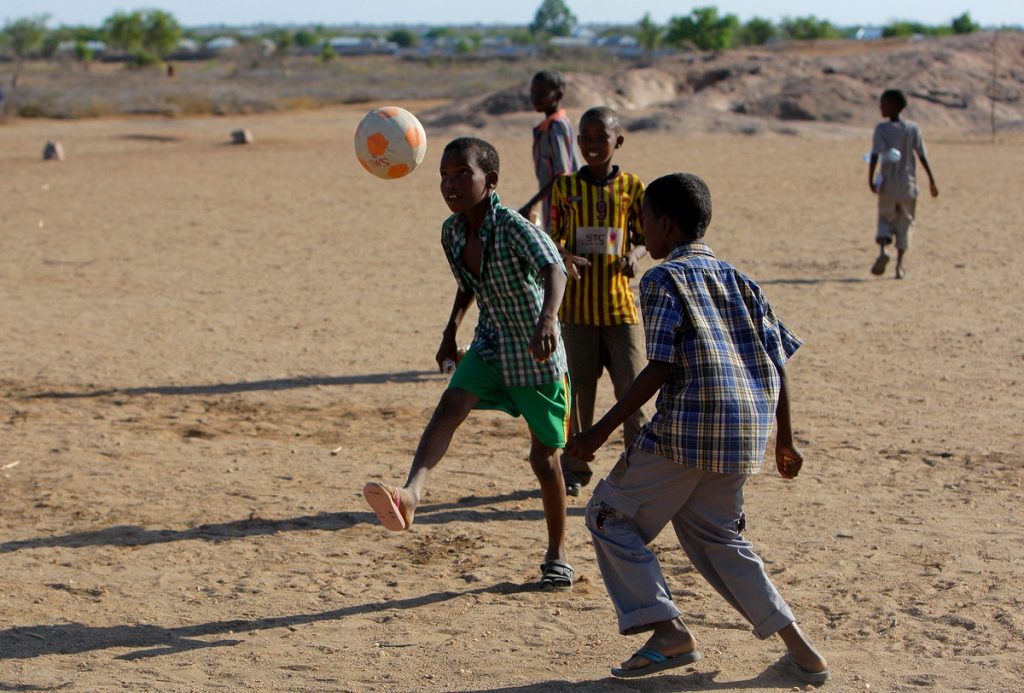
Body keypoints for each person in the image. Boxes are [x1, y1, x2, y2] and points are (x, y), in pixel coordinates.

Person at [566, 173, 831, 683]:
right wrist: (784, 438)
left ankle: (668, 630)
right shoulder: (740, 279)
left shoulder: (661, 280)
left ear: (666, 224)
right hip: (745, 433)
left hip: (689, 427)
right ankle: (802, 652)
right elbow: (778, 361)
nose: (641, 231)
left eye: (643, 220)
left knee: (606, 516)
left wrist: (599, 430)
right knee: (720, 541)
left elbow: (659, 365)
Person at [363, 137, 576, 591]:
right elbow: (469, 285)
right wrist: (449, 333)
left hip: (536, 349)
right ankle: (411, 494)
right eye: (444, 174)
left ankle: (557, 553)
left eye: (463, 174)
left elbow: (554, 267)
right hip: (492, 339)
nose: (450, 183)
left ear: (490, 181)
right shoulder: (453, 231)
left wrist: (548, 320)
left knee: (545, 458)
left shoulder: (515, 227)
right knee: (450, 405)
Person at [547, 106, 647, 497]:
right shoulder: (565, 186)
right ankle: (575, 469)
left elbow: (642, 236)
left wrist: (633, 258)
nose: (591, 145)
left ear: (617, 141)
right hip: (578, 311)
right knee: (577, 397)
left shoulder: (633, 187)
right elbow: (552, 236)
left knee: (633, 394)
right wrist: (565, 256)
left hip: (620, 308)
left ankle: (637, 471)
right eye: (585, 138)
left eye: (599, 138)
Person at [868, 88, 939, 279]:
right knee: (905, 223)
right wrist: (931, 180)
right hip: (908, 184)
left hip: (888, 184)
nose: (880, 107)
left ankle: (883, 249)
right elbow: (922, 155)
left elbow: (875, 155)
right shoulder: (913, 129)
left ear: (894, 106)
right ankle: (899, 267)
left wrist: (870, 179)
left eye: (883, 103)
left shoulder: (881, 129)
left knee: (884, 219)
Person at [519, 70, 581, 230]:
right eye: (533, 92)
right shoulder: (548, 127)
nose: (535, 98)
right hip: (552, 202)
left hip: (563, 205)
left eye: (542, 93)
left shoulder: (557, 126)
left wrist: (531, 203)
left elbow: (562, 175)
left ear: (558, 95)